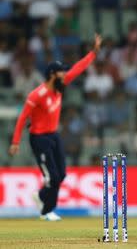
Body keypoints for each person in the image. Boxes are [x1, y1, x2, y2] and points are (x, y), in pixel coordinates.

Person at [8, 34, 102, 221]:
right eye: (61, 72)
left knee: (61, 174)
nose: (64, 75)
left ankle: (42, 197)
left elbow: (78, 68)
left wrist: (93, 53)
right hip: (39, 139)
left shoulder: (60, 86)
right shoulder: (37, 95)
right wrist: (15, 142)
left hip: (53, 135)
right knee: (51, 176)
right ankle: (46, 211)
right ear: (52, 74)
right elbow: (22, 117)